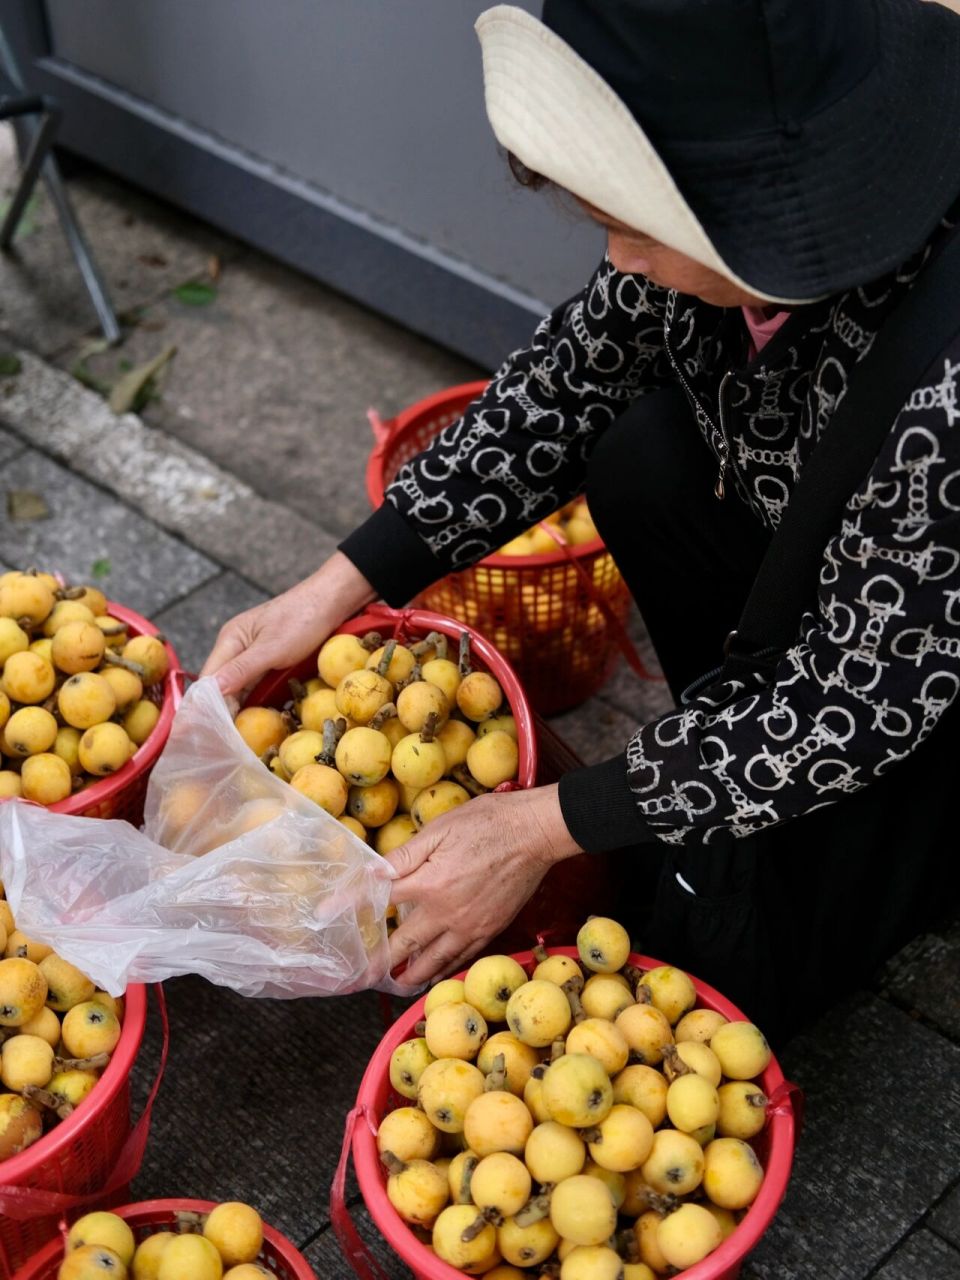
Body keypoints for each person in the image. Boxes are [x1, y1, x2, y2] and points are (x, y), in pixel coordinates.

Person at [202, 0, 960, 1040]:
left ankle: (855, 858)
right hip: (813, 564)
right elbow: (564, 383)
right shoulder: (720, 209)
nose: (621, 258)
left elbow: (864, 688)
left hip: (922, 666)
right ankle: (711, 772)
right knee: (640, 450)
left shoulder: (943, 385)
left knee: (751, 969)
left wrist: (536, 828)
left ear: (773, 220)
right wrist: (336, 585)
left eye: (640, 230)